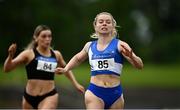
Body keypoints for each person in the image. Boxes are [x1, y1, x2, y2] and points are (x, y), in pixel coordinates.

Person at [55, 12, 143, 109]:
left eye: (108, 22)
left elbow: (140, 66)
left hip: (115, 94)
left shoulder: (120, 45)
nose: (104, 24)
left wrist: (133, 57)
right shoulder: (89, 46)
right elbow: (77, 59)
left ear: (113, 26)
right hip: (95, 92)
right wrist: (66, 69)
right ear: (95, 26)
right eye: (101, 22)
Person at [3, 25, 85, 109]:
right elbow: (7, 69)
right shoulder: (28, 54)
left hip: (49, 95)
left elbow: (67, 69)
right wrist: (10, 56)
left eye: (49, 36)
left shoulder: (56, 55)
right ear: (36, 38)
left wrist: (76, 84)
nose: (47, 39)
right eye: (44, 36)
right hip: (29, 97)